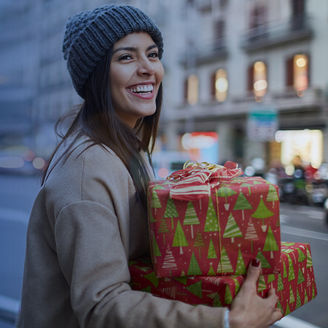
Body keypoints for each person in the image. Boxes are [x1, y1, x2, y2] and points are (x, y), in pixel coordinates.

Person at [17, 4, 282, 328]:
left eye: (153, 54)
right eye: (126, 57)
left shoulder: (129, 149)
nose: (148, 69)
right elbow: (103, 306)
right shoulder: (86, 171)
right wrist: (227, 321)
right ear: (96, 75)